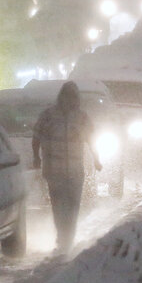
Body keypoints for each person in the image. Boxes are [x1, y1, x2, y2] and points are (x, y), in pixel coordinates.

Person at [32, 81, 101, 253]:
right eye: (67, 96)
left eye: (74, 97)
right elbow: (36, 137)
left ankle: (67, 238)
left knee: (73, 206)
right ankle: (62, 237)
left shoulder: (82, 118)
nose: (71, 101)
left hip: (76, 171)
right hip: (54, 170)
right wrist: (36, 157)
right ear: (61, 97)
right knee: (58, 205)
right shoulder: (48, 116)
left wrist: (96, 158)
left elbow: (92, 139)